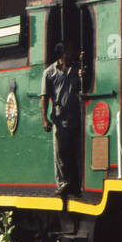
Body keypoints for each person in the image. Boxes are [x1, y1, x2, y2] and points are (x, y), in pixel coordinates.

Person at [41, 43, 84, 197]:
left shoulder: (77, 68)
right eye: (69, 50)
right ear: (63, 53)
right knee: (61, 153)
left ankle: (79, 183)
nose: (73, 52)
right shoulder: (49, 73)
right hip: (60, 118)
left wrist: (82, 76)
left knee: (78, 152)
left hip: (77, 116)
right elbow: (44, 97)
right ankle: (62, 183)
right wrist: (44, 119)